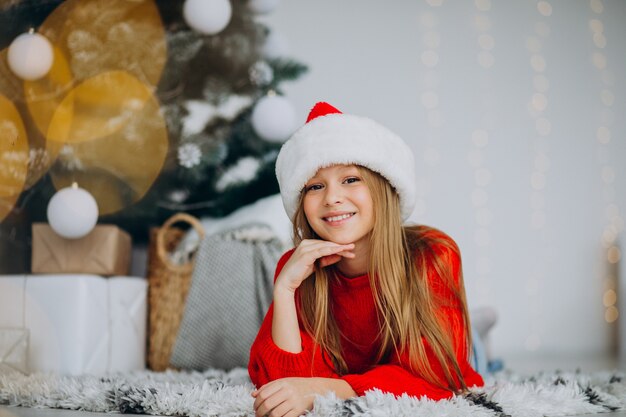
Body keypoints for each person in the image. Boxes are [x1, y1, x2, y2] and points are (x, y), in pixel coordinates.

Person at [248, 102, 484, 417]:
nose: (332, 198)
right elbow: (281, 385)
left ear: (382, 188)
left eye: (350, 180)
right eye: (315, 186)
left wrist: (326, 388)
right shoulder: (296, 266)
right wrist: (285, 289)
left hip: (444, 346)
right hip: (378, 366)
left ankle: (480, 331)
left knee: (475, 353)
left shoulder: (433, 253)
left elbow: (435, 378)